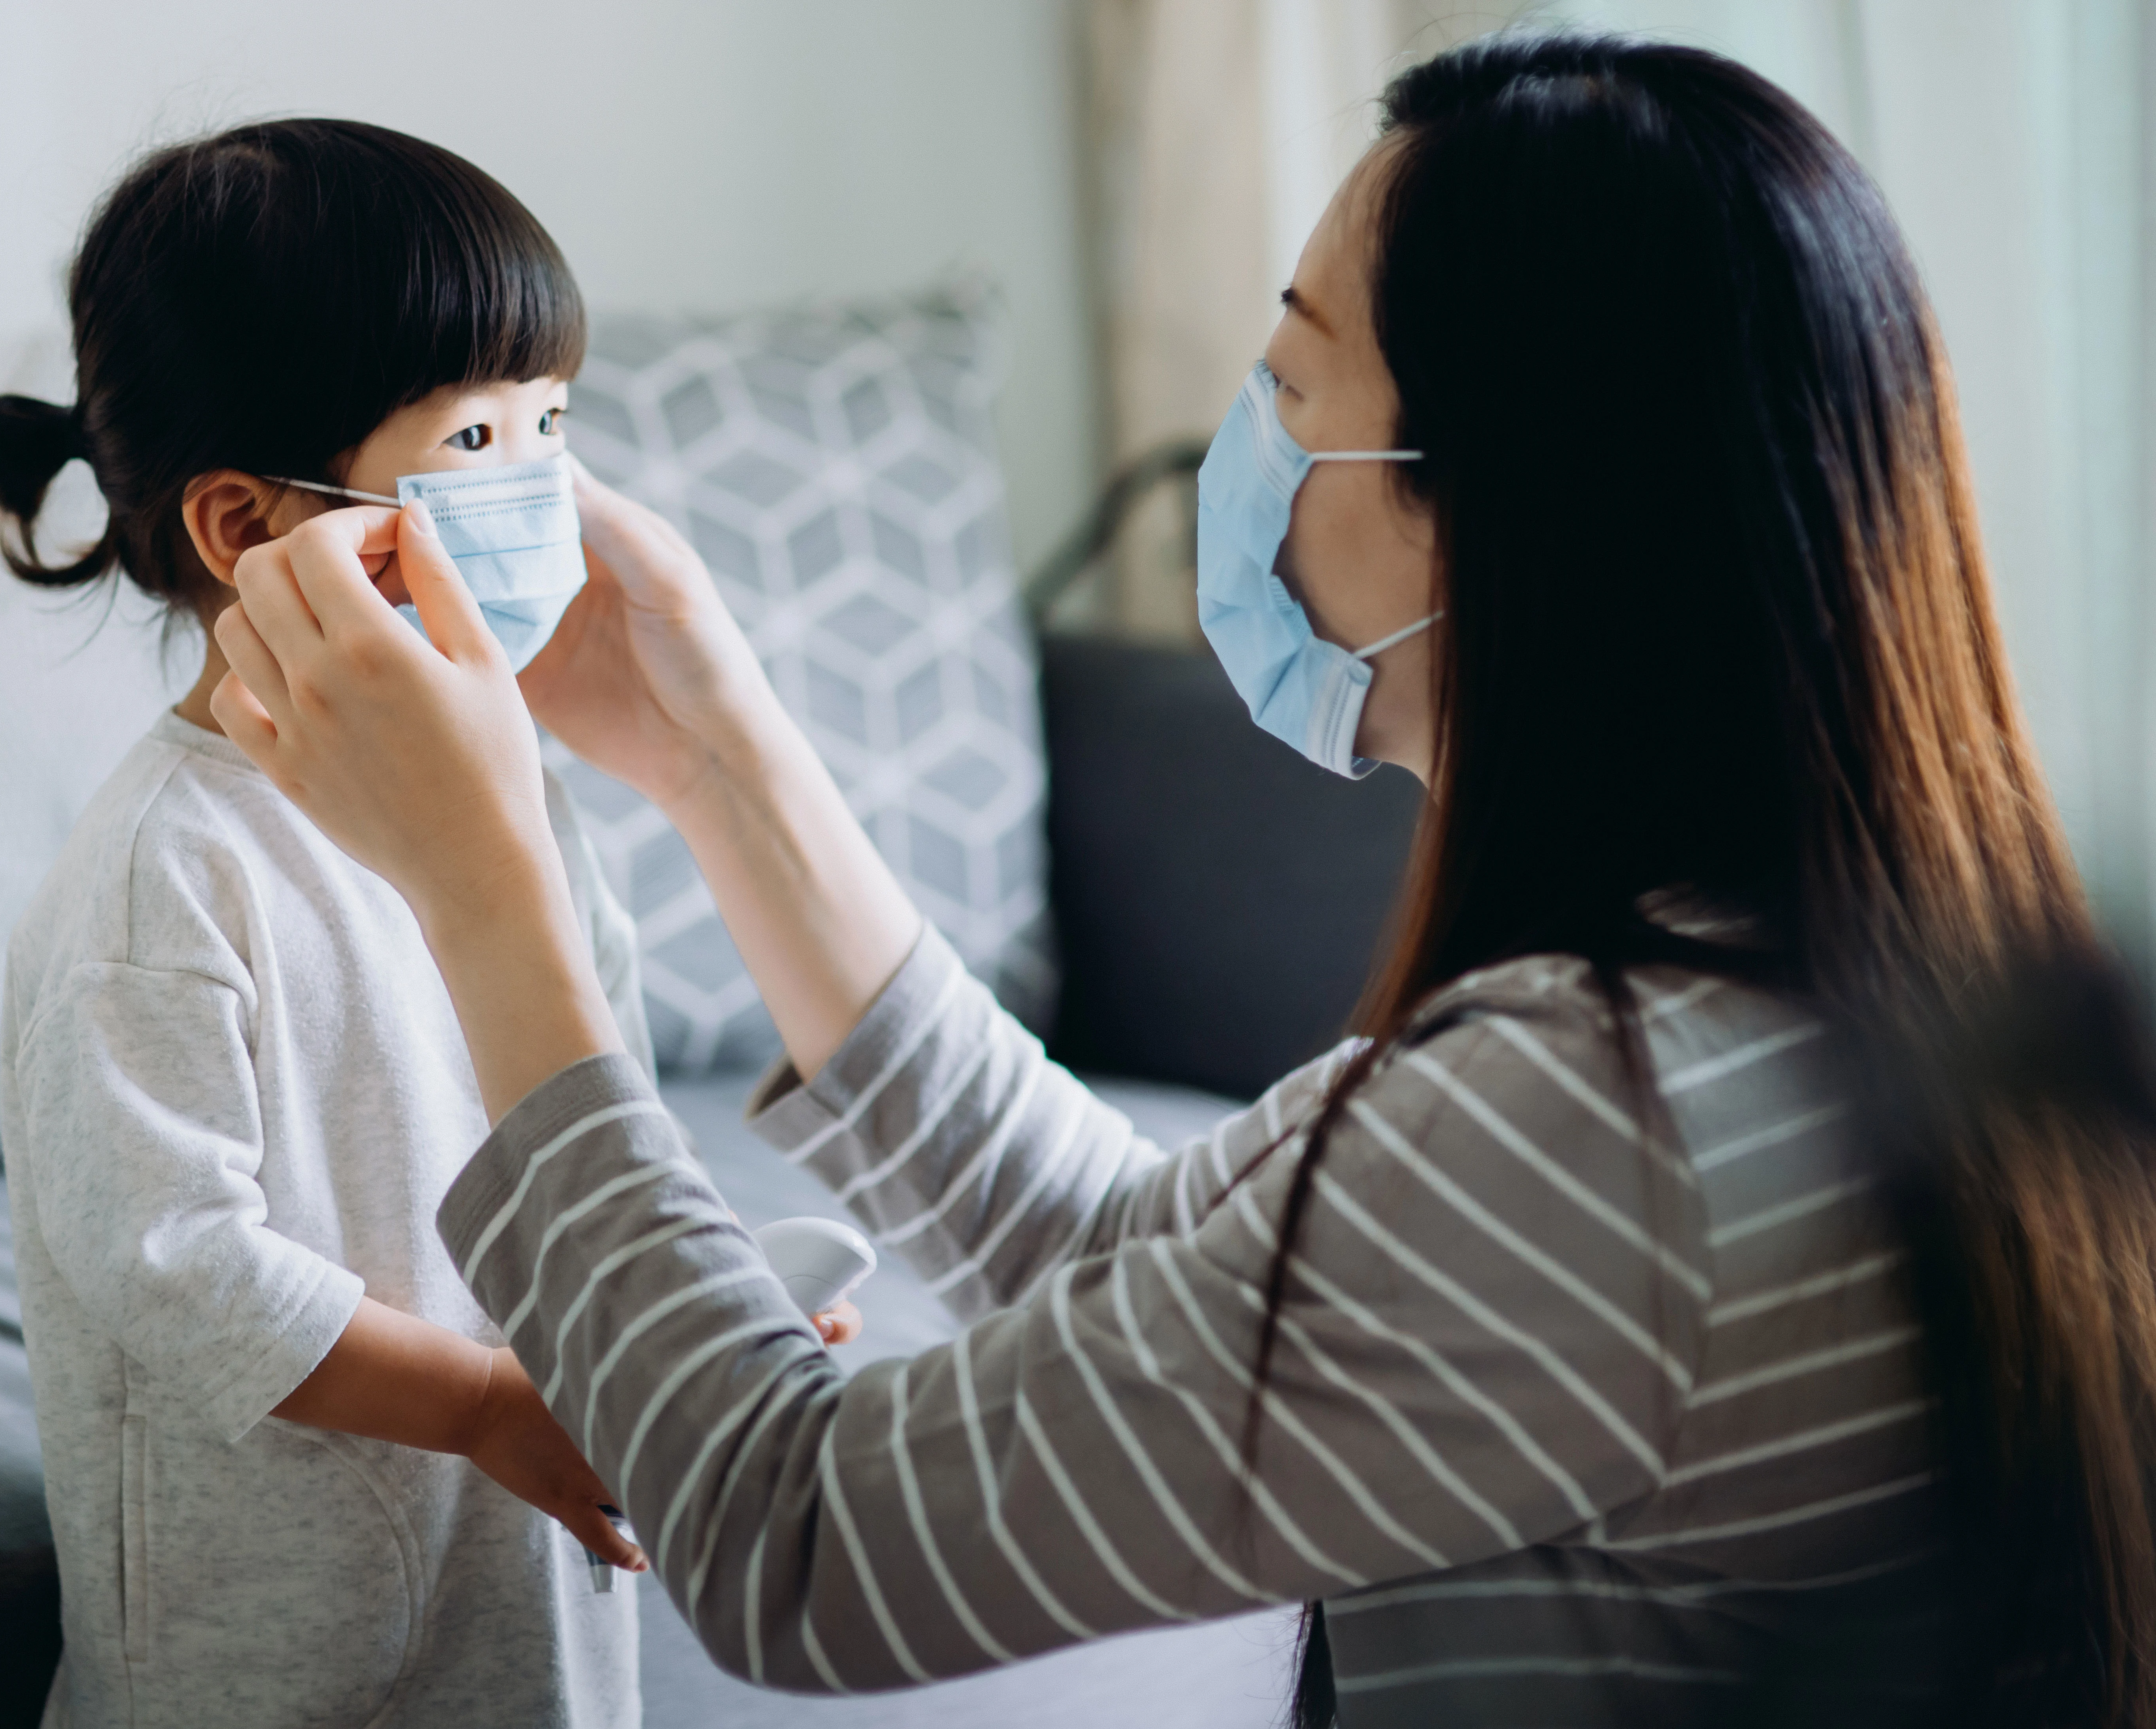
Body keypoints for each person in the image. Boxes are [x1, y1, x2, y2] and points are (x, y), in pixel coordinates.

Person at [196, 34, 2156, 1729]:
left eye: (1293, 389)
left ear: (1489, 502)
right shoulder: (1845, 986)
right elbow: (1167, 1285)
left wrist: (490, 889)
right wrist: (720, 761)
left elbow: (803, 1538)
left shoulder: (1582, 1117)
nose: (1248, 445)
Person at [0, 119, 763, 1729]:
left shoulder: (511, 787)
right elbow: (175, 1263)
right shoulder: (161, 873)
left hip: (527, 1616)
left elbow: (591, 1094)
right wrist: (481, 1401)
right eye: (477, 445)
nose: (545, 491)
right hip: (268, 1661)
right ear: (249, 532)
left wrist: (695, 1303)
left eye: (556, 423)